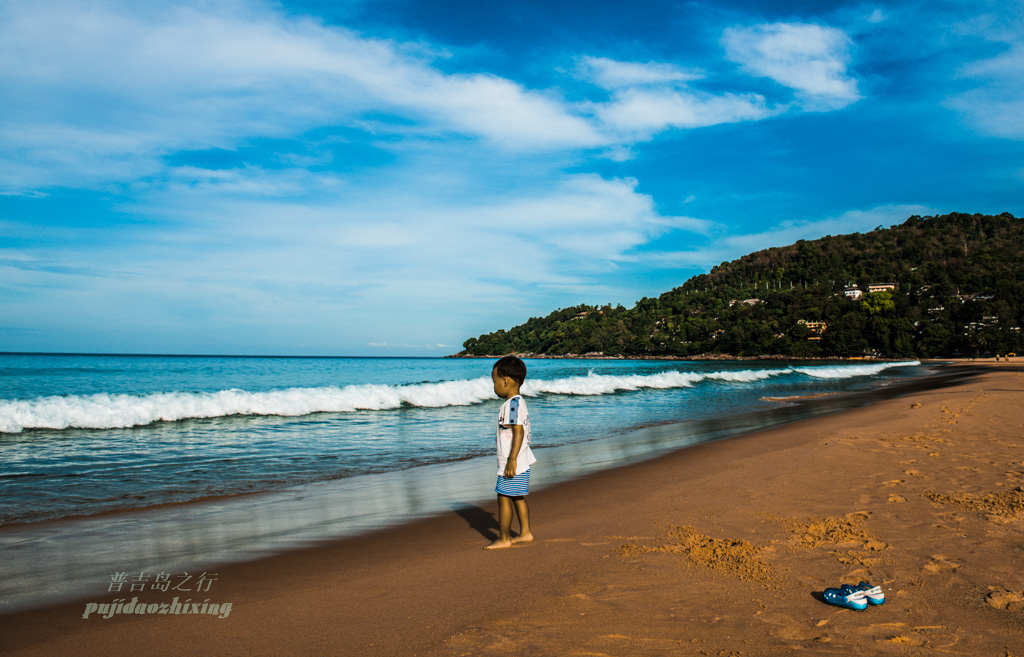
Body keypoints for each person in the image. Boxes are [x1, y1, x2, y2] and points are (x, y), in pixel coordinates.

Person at [484, 355, 536, 549]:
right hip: (522, 459)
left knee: (503, 496)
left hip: (514, 461)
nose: (494, 385)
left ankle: (504, 538)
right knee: (516, 496)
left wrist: (511, 459)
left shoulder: (512, 405)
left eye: (494, 381)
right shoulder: (518, 402)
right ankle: (525, 533)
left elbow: (518, 431)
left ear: (505, 381)